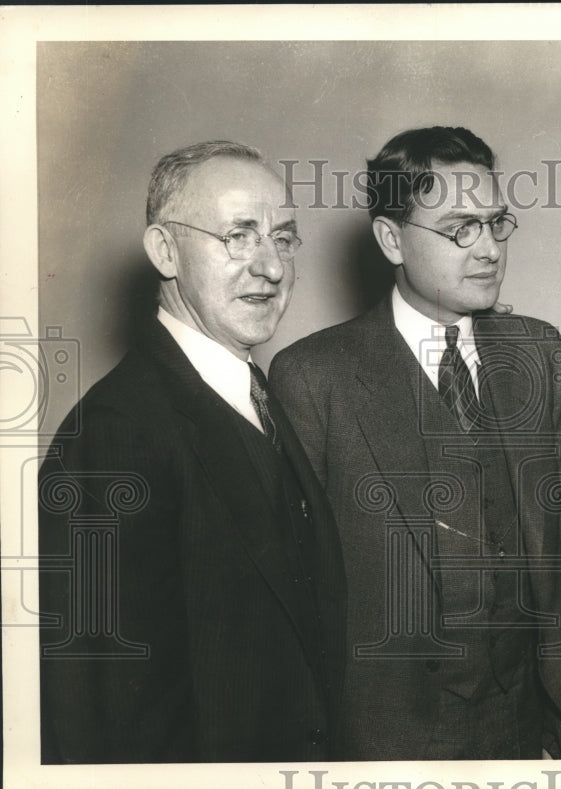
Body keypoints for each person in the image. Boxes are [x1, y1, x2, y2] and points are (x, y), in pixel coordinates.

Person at [270, 126, 561, 760]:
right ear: (392, 238)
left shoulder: (540, 354)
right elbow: (295, 596)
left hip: (525, 733)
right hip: (379, 740)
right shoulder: (314, 375)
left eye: (497, 224)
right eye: (458, 229)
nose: (489, 250)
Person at [38, 140, 346, 763]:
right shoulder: (114, 433)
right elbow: (103, 715)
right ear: (164, 251)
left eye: (283, 237)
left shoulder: (257, 393)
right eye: (239, 235)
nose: (271, 267)